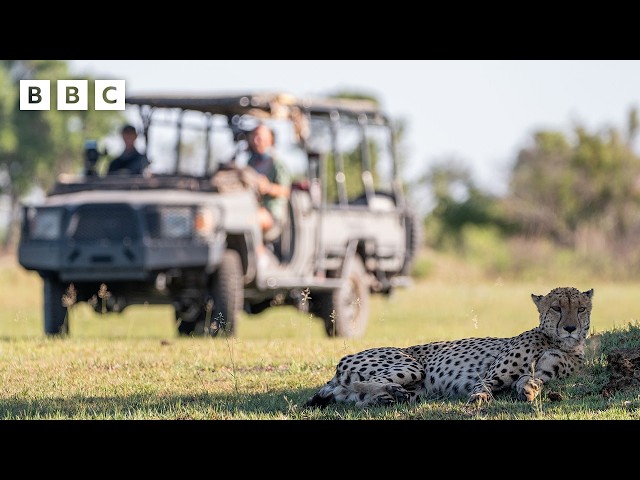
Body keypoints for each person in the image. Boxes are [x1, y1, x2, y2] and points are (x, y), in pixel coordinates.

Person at [245, 123, 291, 262]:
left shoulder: (277, 164)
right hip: (252, 208)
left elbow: (286, 191)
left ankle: (260, 256)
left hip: (273, 215)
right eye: (254, 136)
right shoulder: (251, 163)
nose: (256, 140)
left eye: (260, 137)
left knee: (253, 218)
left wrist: (268, 187)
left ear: (270, 139)